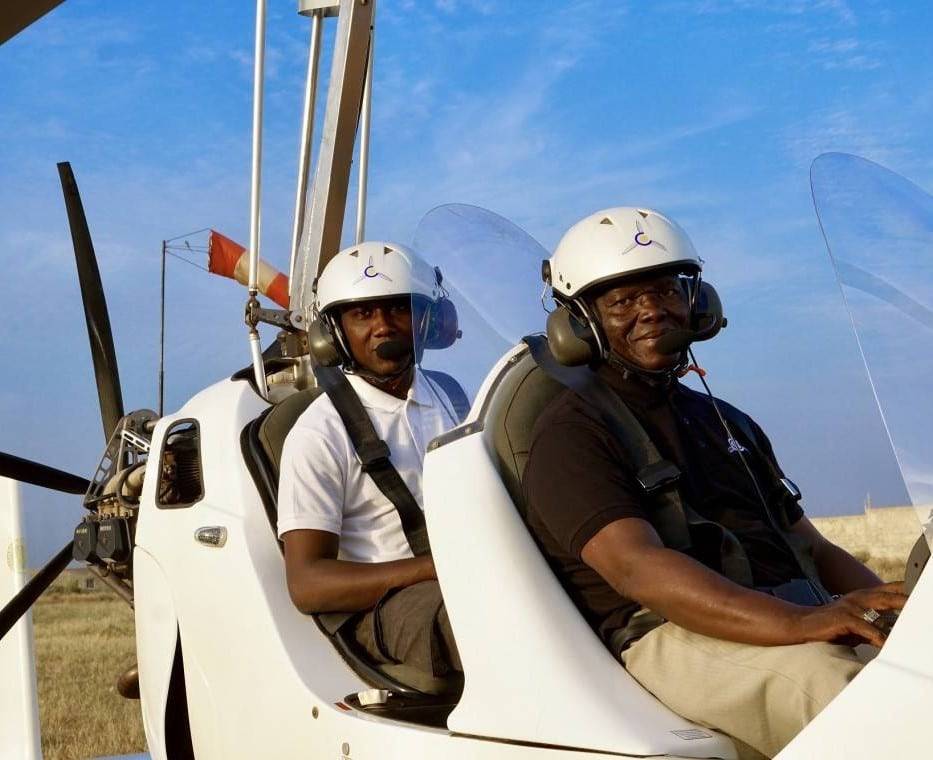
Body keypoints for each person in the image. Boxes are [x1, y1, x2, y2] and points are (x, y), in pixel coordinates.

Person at [522, 207, 907, 759]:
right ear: (580, 324)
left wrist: (904, 614)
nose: (652, 310)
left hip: (782, 611)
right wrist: (802, 622)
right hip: (668, 632)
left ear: (697, 303)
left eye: (664, 291)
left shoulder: (725, 419)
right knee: (847, 700)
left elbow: (811, 545)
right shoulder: (571, 435)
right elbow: (638, 569)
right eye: (623, 301)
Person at [277, 240, 462, 681]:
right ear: (332, 333)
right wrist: (435, 568)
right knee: (494, 618)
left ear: (427, 321)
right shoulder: (319, 433)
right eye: (363, 314)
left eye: (397, 309)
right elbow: (307, 583)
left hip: (466, 575)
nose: (382, 326)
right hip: (387, 605)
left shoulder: (452, 396)